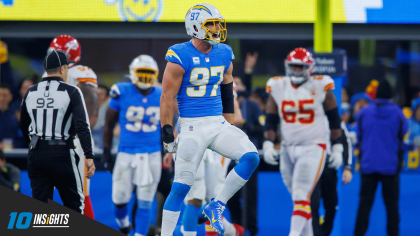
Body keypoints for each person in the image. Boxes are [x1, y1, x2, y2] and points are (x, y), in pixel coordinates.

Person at [160, 4, 259, 235]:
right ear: (195, 27)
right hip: (192, 126)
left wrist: (229, 123)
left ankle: (217, 205)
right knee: (181, 188)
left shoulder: (224, 52)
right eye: (211, 24)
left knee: (251, 157)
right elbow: (166, 98)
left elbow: (227, 89)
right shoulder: (179, 54)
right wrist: (167, 133)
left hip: (217, 123)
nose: (216, 29)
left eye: (217, 24)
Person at [263, 48, 343, 236]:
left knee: (300, 195)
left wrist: (338, 146)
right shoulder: (278, 86)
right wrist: (268, 142)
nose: (297, 71)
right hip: (287, 148)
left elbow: (334, 118)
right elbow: (271, 117)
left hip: (313, 146)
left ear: (309, 68)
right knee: (301, 200)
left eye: (301, 67)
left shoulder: (321, 84)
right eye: (294, 67)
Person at [20, 50, 95, 213]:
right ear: (62, 69)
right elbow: (82, 126)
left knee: (40, 209)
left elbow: (23, 124)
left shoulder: (31, 91)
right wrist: (89, 156)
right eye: (67, 68)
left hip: (37, 154)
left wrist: (34, 146)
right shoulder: (72, 91)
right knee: (75, 205)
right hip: (62, 153)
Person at [102, 55, 164, 235]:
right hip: (126, 152)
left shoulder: (161, 94)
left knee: (146, 200)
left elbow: (169, 125)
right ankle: (123, 225)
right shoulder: (121, 90)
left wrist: (167, 152)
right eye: (141, 72)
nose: (145, 76)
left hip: (152, 153)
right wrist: (106, 151)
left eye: (148, 73)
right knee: (119, 199)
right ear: (132, 73)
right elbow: (108, 123)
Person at [176, 82, 245, 236]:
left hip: (217, 145)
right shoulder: (198, 78)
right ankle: (231, 231)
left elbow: (237, 117)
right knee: (196, 198)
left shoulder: (221, 82)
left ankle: (229, 230)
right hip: (195, 141)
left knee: (212, 197)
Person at [46, 35, 99, 219]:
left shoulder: (80, 74)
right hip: (53, 139)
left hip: (73, 140)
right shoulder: (50, 75)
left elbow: (91, 112)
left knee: (80, 195)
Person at [354, 80, 408, 236]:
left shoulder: (364, 113)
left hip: (368, 166)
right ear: (391, 96)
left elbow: (359, 137)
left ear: (376, 95)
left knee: (364, 205)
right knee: (392, 207)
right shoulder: (398, 113)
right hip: (391, 168)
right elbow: (403, 135)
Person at [311, 121, 353, 236]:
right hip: (310, 165)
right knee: (312, 204)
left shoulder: (332, 117)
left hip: (328, 166)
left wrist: (347, 167)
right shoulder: (306, 115)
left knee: (331, 205)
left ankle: (323, 233)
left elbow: (345, 141)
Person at [0, 84, 21, 149]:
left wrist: (14, 145)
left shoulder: (17, 116)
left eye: (5, 95)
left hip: (14, 154)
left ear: (11, 96)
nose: (1, 99)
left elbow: (23, 137)